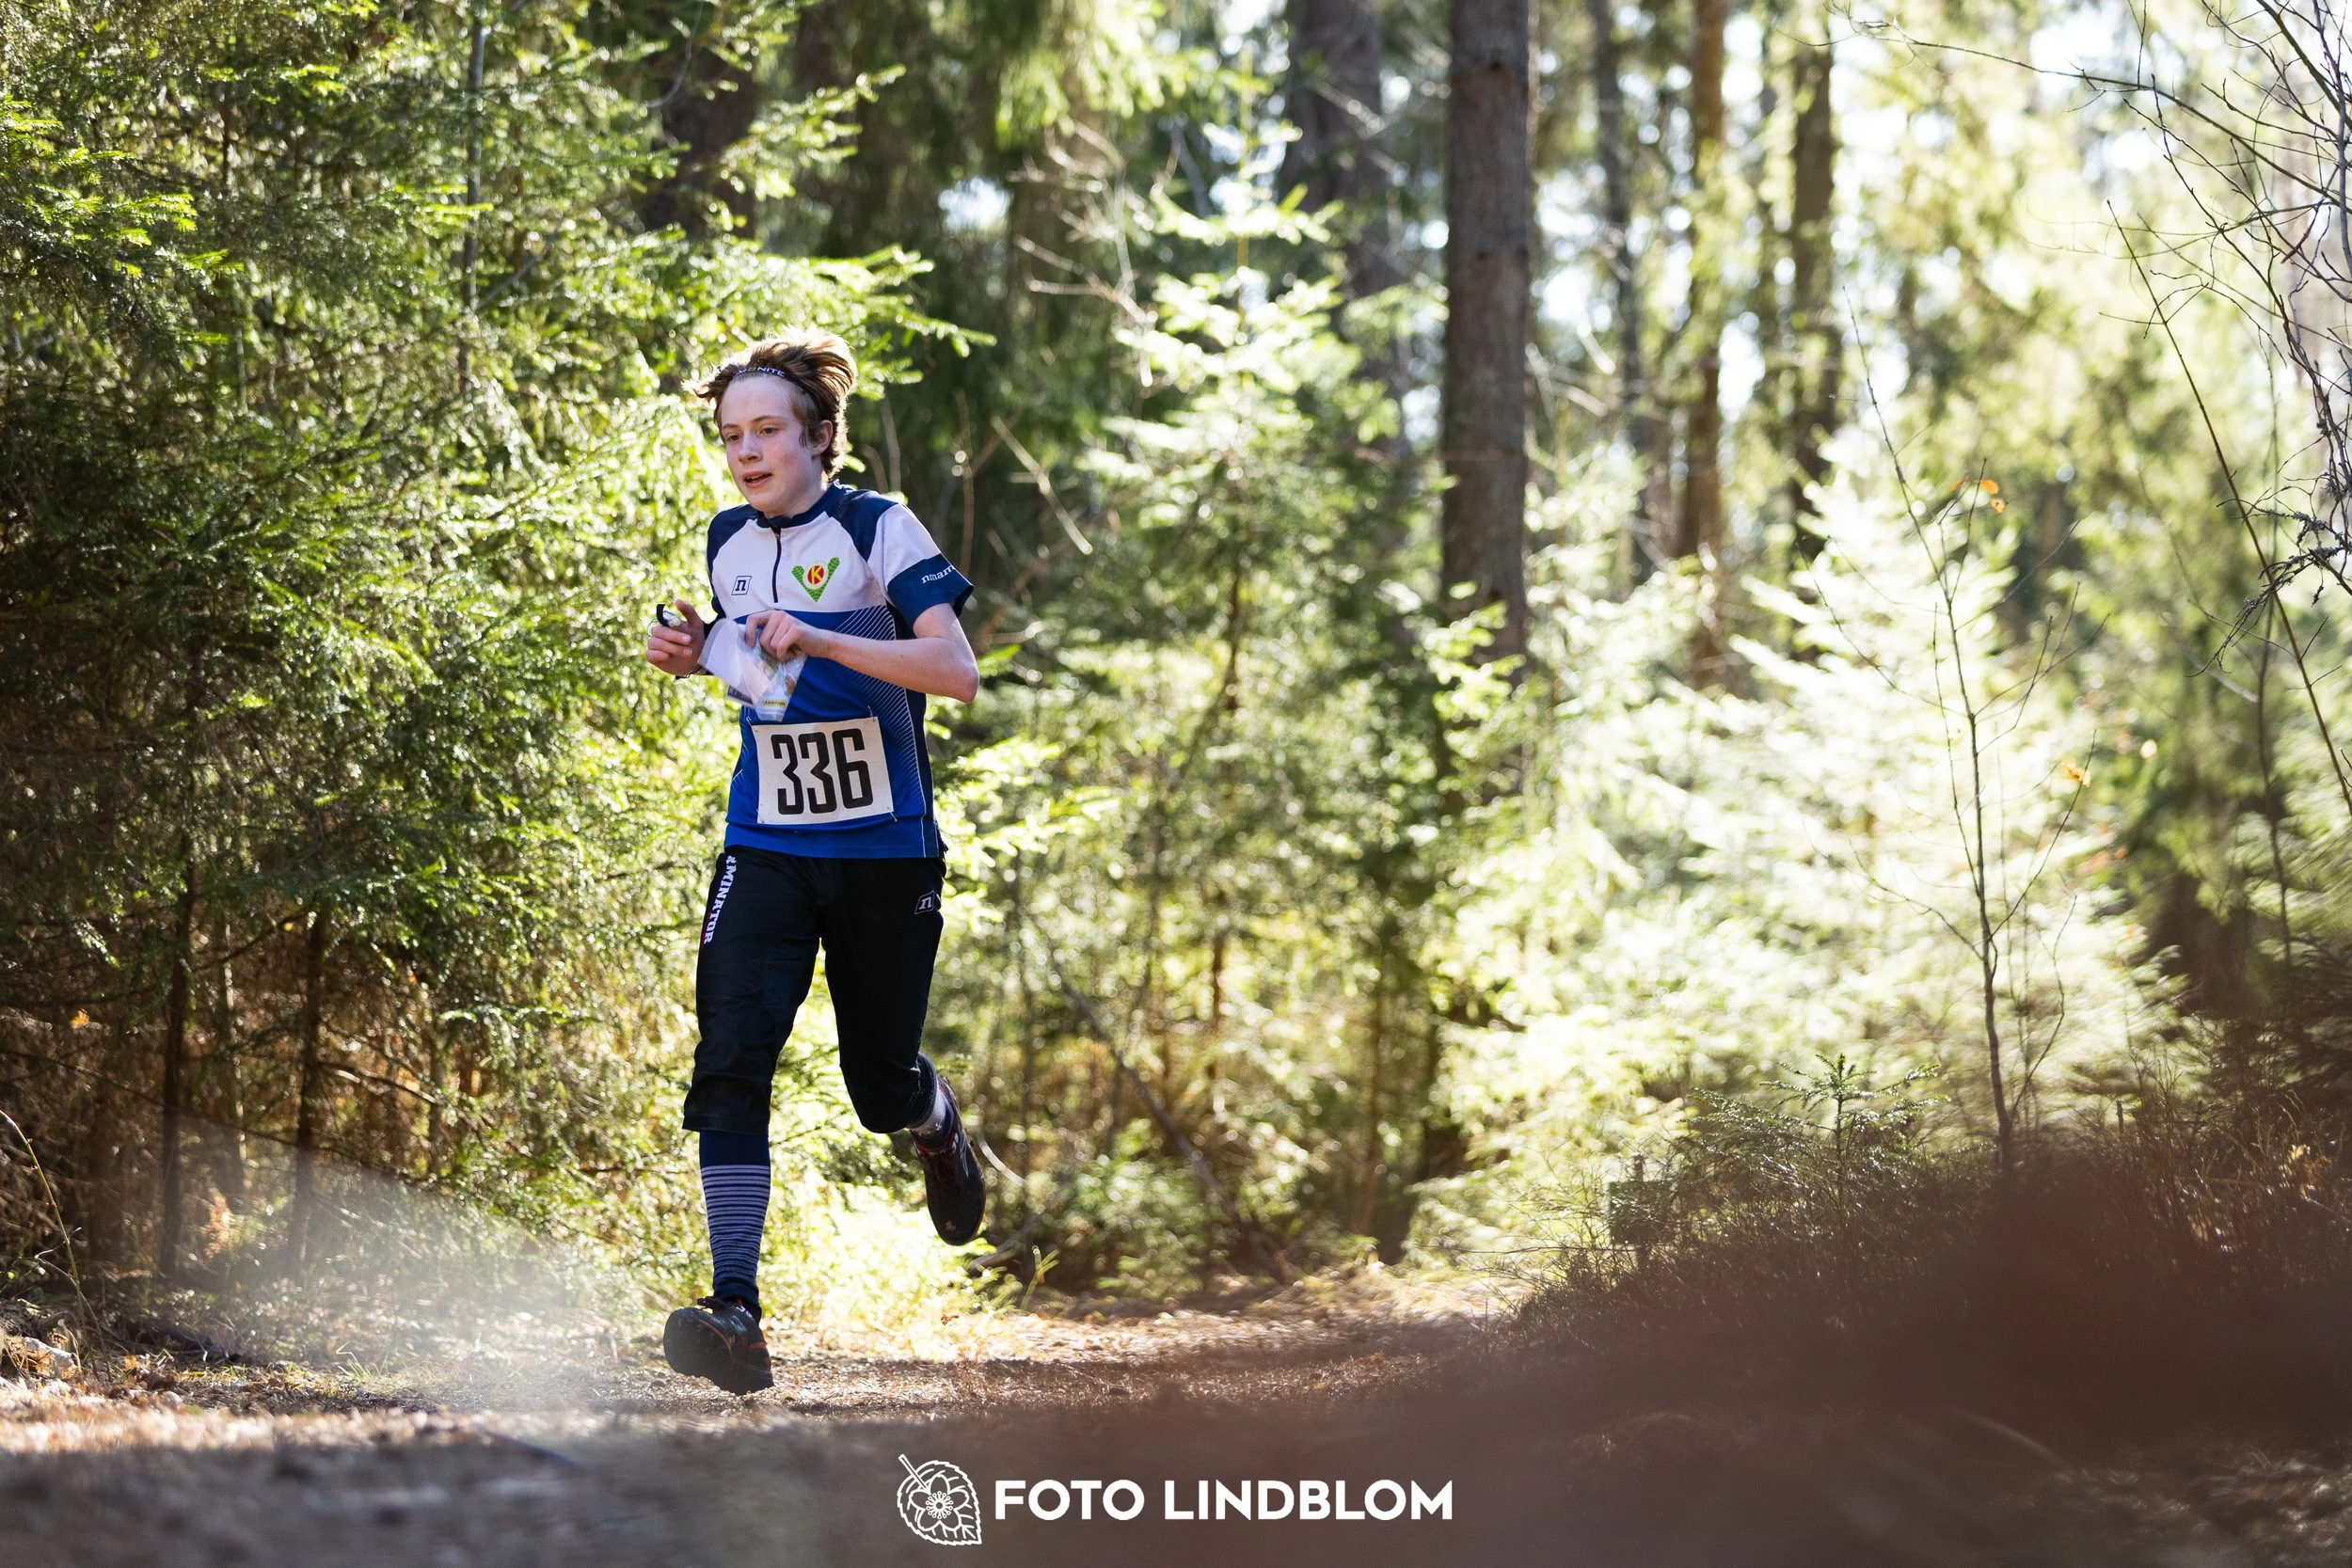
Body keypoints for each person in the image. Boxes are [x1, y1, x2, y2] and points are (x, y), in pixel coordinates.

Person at [643, 330, 986, 1395]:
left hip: (884, 850)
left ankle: (932, 1120)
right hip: (769, 843)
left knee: (875, 1085)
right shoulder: (727, 542)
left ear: (820, 436)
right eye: (731, 435)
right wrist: (700, 649)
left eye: (767, 432)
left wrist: (830, 636)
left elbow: (955, 671)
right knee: (732, 1054)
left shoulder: (877, 527)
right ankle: (736, 1308)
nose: (746, 453)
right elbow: (764, 681)